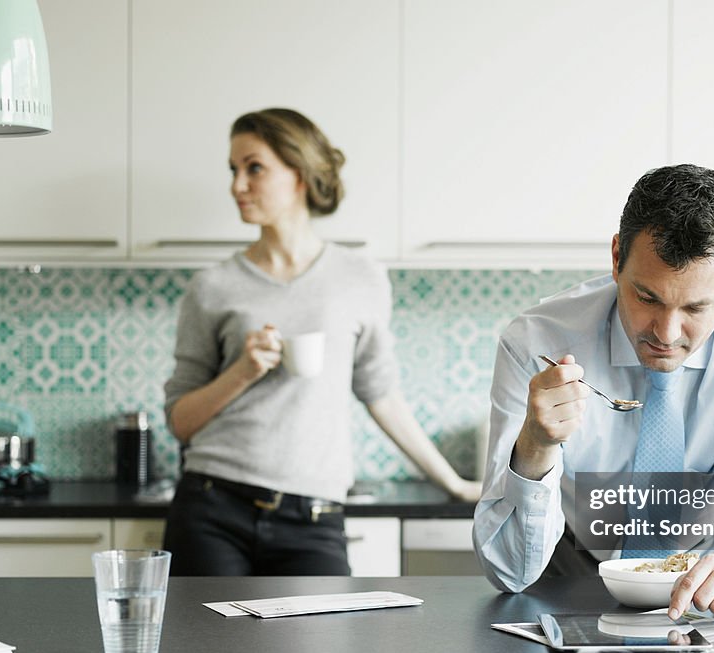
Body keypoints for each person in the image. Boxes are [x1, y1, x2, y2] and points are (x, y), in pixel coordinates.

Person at [473, 164, 714, 621]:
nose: (667, 334)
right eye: (647, 298)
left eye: (696, 306)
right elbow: (508, 572)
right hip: (571, 571)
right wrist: (535, 447)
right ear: (616, 258)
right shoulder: (537, 343)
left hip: (707, 578)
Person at [163, 107, 480, 576]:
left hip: (314, 517)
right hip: (213, 507)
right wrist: (242, 372)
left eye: (254, 168)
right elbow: (181, 421)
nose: (237, 185)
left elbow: (383, 396)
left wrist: (454, 484)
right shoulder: (212, 286)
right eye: (233, 170)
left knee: (324, 648)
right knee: (212, 651)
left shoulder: (360, 278)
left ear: (300, 175)